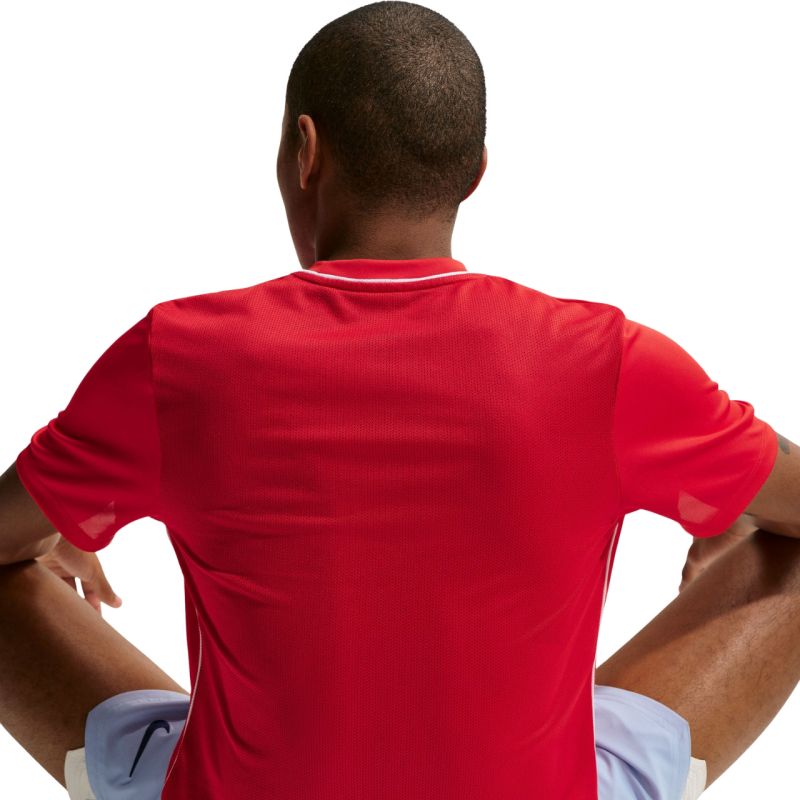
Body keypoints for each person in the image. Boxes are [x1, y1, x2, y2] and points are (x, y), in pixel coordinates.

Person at [0, 2, 798, 798]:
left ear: (305, 150)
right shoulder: (607, 360)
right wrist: (730, 509)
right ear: (475, 171)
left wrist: (55, 524)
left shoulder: (178, 356)